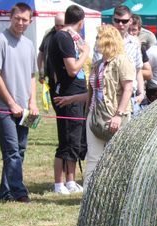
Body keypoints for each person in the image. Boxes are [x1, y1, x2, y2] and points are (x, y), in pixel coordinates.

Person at [56, 25, 134, 179]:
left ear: (107, 40)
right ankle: (89, 196)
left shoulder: (122, 61)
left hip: (115, 116)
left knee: (118, 157)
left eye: (99, 37)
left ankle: (116, 192)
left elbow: (128, 89)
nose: (96, 41)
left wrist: (118, 115)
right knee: (93, 157)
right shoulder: (97, 65)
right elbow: (94, 93)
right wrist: (71, 99)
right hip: (94, 115)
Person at [0, 2, 39, 203]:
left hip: (25, 109)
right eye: (17, 18)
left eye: (24, 20)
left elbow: (32, 76)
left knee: (21, 149)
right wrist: (10, 103)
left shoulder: (29, 44)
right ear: (11, 17)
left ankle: (6, 191)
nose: (20, 23)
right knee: (12, 150)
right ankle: (19, 193)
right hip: (3, 107)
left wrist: (33, 102)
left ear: (30, 21)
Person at [46, 4, 88, 194]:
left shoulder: (72, 38)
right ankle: (58, 183)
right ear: (81, 22)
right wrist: (85, 52)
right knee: (66, 138)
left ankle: (70, 180)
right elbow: (72, 69)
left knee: (75, 139)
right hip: (67, 94)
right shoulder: (62, 37)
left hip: (77, 94)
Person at [105, 6, 145, 113]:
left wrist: (142, 93)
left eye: (124, 21)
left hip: (132, 98)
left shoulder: (135, 43)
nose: (120, 24)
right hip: (110, 98)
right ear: (113, 20)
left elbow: (138, 70)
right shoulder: (104, 42)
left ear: (130, 21)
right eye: (117, 21)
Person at [37, 13, 64, 96]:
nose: (59, 28)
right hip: (51, 78)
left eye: (62, 26)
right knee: (56, 104)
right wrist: (41, 73)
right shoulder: (48, 35)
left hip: (65, 79)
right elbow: (41, 54)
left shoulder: (71, 35)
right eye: (57, 25)